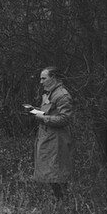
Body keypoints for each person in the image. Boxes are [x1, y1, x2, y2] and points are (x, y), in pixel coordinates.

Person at [25, 67, 74, 201]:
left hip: (57, 140)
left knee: (57, 171)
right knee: (51, 171)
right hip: (48, 138)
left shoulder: (62, 96)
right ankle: (59, 200)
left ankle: (63, 202)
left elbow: (65, 119)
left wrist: (43, 118)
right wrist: (34, 111)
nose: (41, 82)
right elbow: (48, 113)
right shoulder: (50, 94)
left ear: (54, 78)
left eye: (44, 78)